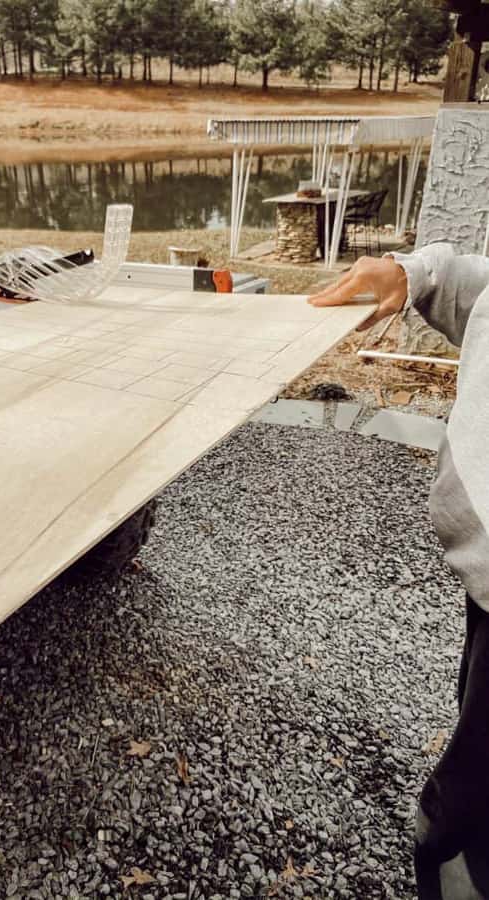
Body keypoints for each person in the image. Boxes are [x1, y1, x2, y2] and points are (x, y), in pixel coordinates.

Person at [309, 243, 489, 900]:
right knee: (476, 720)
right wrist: (418, 272)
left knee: (473, 797)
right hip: (485, 577)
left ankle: (456, 854)